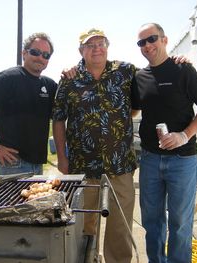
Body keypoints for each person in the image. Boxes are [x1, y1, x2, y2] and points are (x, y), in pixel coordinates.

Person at [131, 23, 197, 263]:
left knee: (179, 223)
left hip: (182, 160)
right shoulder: (139, 77)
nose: (147, 45)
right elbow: (134, 111)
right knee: (152, 221)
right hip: (149, 159)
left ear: (164, 40)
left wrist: (184, 135)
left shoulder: (183, 70)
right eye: (141, 42)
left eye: (152, 39)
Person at [52, 28, 137, 263]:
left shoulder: (125, 71)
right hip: (83, 165)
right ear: (81, 50)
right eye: (90, 45)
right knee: (84, 224)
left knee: (121, 223)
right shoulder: (69, 79)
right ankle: (87, 260)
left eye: (101, 43)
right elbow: (58, 119)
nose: (97, 48)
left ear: (107, 47)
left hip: (120, 163)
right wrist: (62, 156)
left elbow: (139, 101)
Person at [0, 32, 57, 175]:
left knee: (34, 198)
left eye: (46, 55)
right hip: (12, 164)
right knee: (12, 199)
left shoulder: (49, 85)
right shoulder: (9, 78)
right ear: (24, 53)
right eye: (35, 52)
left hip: (38, 164)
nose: (40, 57)